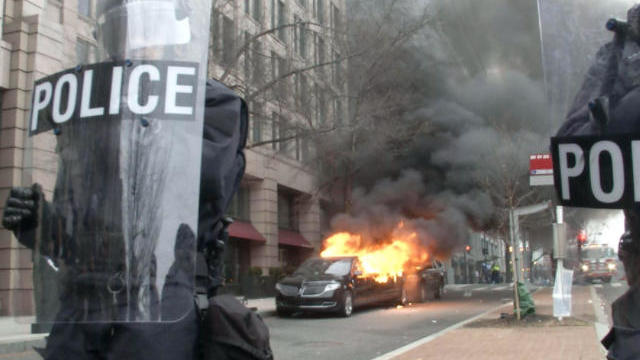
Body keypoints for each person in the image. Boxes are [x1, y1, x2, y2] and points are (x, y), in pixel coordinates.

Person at [2, 1, 247, 358]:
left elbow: (208, 189)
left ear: (175, 38)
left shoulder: (209, 101)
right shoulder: (88, 105)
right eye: (121, 29)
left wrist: (141, 108)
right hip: (80, 310)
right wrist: (40, 222)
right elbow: (77, 234)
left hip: (161, 299)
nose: (132, 41)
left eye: (146, 28)